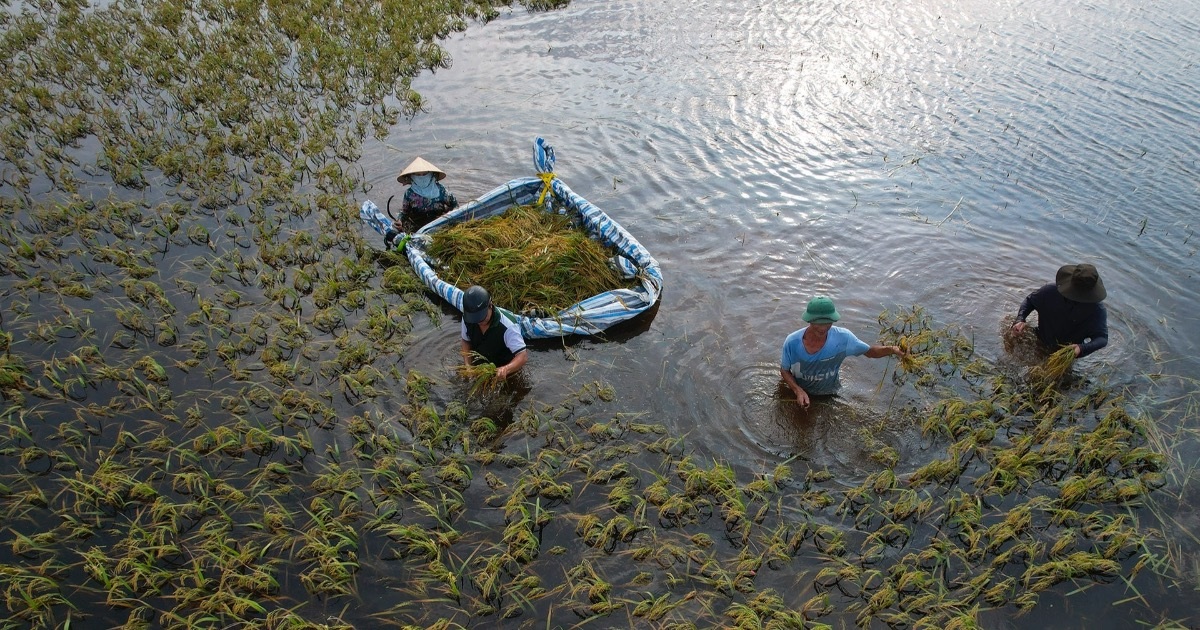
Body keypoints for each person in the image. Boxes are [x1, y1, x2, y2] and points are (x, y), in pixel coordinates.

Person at [780, 296, 904, 408]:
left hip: (830, 392)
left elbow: (870, 352)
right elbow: (784, 370)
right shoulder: (792, 342)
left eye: (827, 322)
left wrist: (892, 349)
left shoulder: (844, 338)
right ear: (809, 320)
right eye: (818, 323)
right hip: (800, 390)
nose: (823, 328)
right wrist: (797, 390)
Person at [1010, 263, 1108, 358]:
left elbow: (1102, 338)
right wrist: (1020, 319)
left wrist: (1082, 348)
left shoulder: (1097, 311)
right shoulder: (1050, 292)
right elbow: (1030, 301)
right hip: (1040, 338)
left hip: (1066, 352)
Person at [460, 285, 528, 379]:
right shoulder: (468, 318)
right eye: (475, 319)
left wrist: (506, 369)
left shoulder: (508, 326)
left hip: (503, 368)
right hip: (480, 363)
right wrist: (468, 366)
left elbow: (522, 356)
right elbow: (465, 341)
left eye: (481, 317)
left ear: (490, 305)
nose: (479, 322)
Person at [389, 157, 459, 243]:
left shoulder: (441, 190)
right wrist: (399, 221)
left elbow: (455, 206)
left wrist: (448, 216)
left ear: (431, 175)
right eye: (418, 175)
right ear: (412, 177)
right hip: (419, 228)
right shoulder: (409, 194)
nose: (422, 178)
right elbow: (404, 213)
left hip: (440, 226)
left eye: (425, 174)